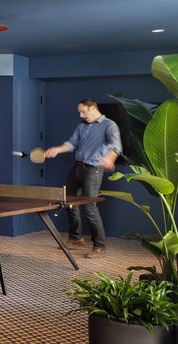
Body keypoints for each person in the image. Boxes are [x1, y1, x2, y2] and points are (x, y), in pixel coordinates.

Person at [43, 98, 122, 259]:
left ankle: (100, 246)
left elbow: (116, 146)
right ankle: (75, 238)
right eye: (79, 112)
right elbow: (72, 144)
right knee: (68, 202)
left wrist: (109, 159)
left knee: (90, 207)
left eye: (83, 112)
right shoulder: (81, 126)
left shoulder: (109, 125)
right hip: (77, 167)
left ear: (93, 108)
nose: (80, 115)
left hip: (93, 170)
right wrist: (57, 150)